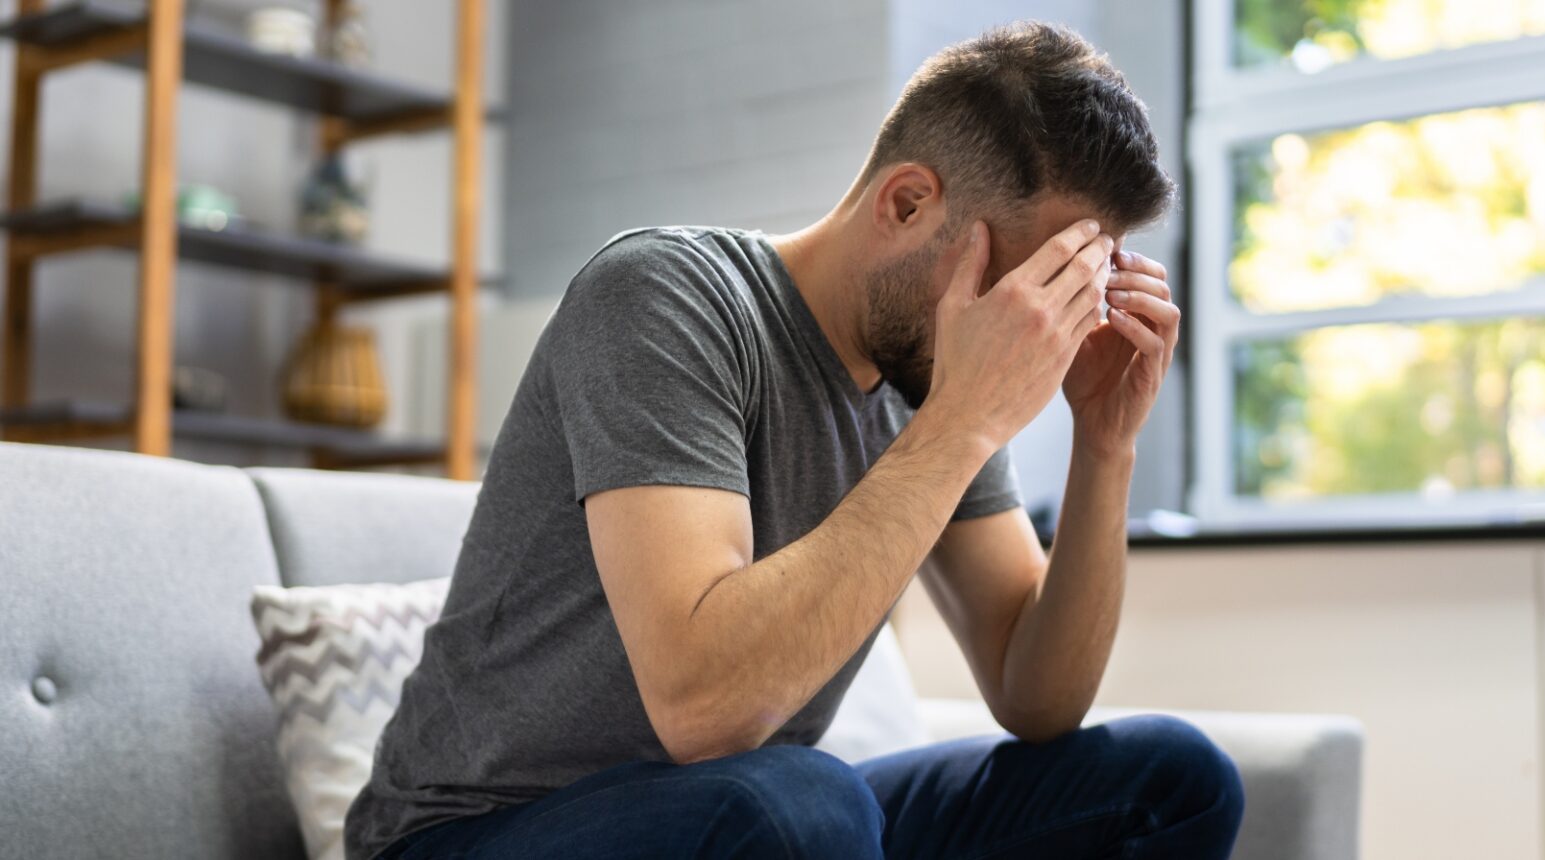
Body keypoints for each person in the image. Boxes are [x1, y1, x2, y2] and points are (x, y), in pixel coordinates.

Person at [346, 20, 1242, 860]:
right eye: (1027, 291)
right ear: (906, 202)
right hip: (472, 832)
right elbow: (703, 708)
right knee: (803, 808)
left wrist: (1105, 444)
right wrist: (963, 422)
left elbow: (1038, 699)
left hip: (739, 819)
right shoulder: (666, 297)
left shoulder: (937, 379)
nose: (1033, 333)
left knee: (1171, 778)